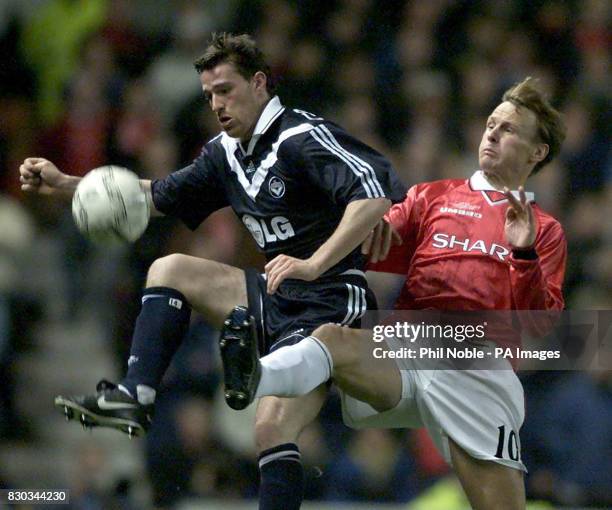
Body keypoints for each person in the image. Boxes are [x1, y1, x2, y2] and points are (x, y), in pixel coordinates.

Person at [19, 33, 405, 510]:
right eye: (208, 96)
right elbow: (157, 195)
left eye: (225, 90)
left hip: (332, 304)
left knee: (269, 427)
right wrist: (67, 185)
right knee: (171, 267)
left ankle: (250, 371)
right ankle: (135, 394)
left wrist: (313, 263)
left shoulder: (301, 137)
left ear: (259, 82)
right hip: (276, 297)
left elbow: (373, 192)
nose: (217, 104)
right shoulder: (224, 153)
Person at [226, 77, 567, 509]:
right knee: (332, 338)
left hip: (475, 365)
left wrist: (523, 253)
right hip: (407, 346)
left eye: (509, 129)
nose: (493, 134)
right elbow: (366, 242)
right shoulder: (433, 197)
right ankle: (256, 374)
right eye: (491, 124)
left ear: (537, 152)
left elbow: (540, 327)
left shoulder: (545, 231)